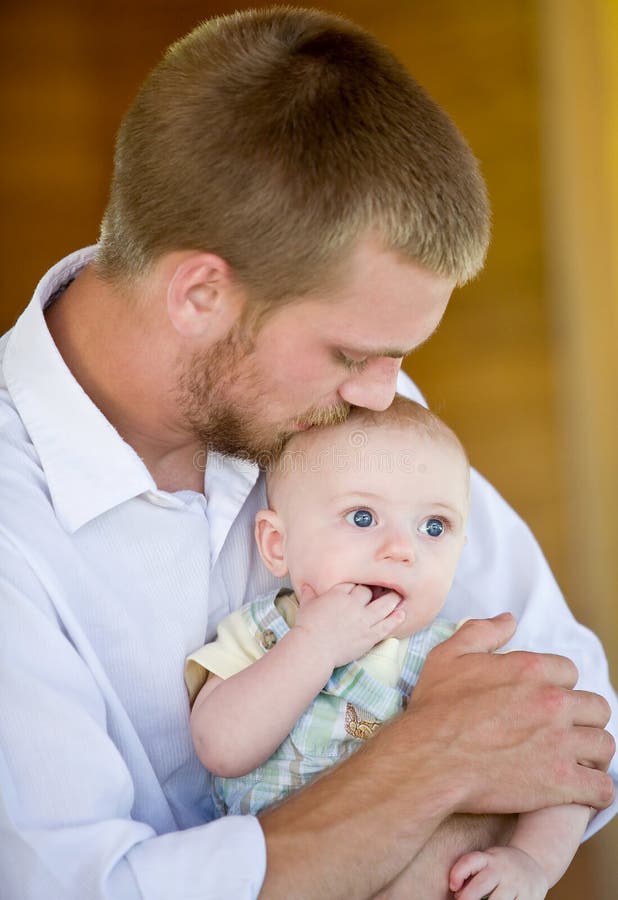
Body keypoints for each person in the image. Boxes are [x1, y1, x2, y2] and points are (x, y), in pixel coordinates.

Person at [0, 6, 615, 900]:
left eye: (398, 356)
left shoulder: (344, 407)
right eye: (352, 352)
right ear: (202, 293)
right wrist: (430, 764)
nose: (384, 394)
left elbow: (570, 713)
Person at [187, 396, 593, 899]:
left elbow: (566, 768)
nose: (403, 549)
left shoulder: (461, 656)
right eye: (362, 517)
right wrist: (313, 645)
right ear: (277, 545)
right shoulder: (266, 632)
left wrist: (532, 862)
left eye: (434, 527)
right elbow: (219, 748)